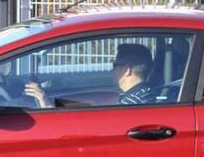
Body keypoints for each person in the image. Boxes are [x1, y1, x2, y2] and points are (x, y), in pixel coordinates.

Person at [24, 43, 156, 108]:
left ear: (127, 70)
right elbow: (96, 105)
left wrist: (47, 106)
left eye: (115, 65)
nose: (112, 70)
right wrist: (49, 102)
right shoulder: (138, 96)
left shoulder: (131, 104)